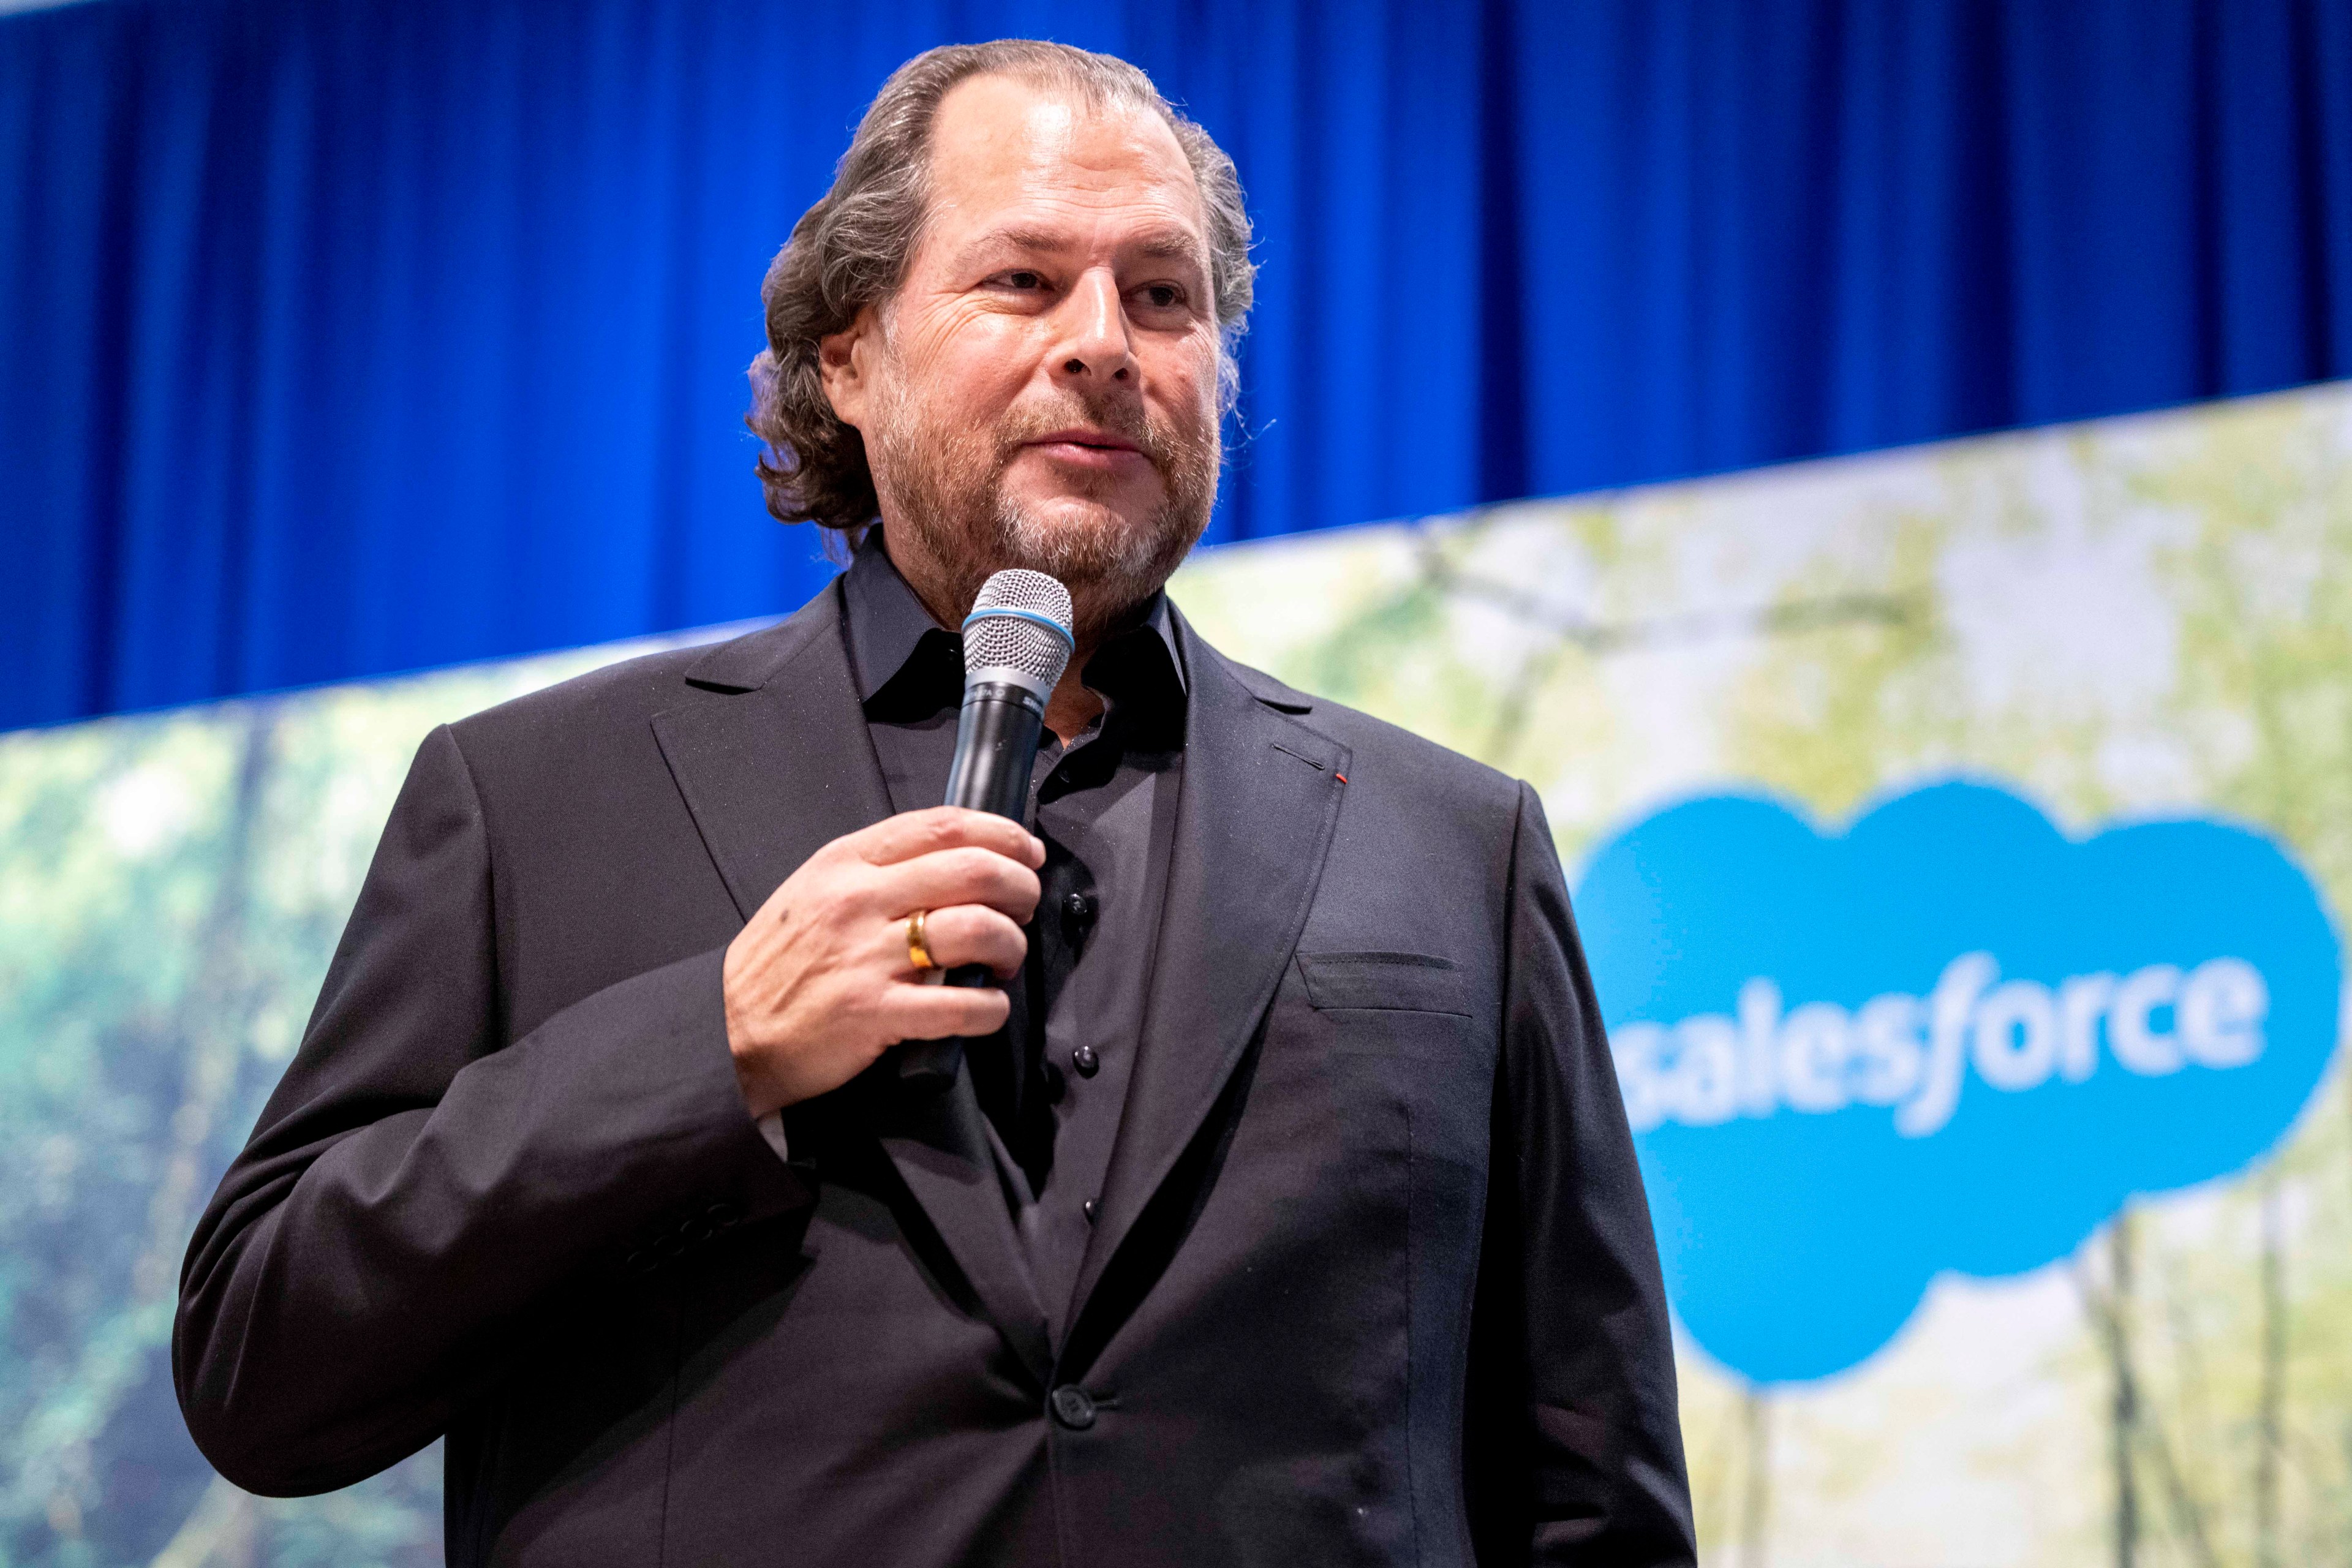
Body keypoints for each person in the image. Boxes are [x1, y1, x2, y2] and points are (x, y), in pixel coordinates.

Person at [174, 39, 1695, 1567]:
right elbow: (261, 1367)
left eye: (1163, 296)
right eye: (1024, 282)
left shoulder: (1450, 845)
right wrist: (714, 1043)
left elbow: (1598, 1499)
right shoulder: (534, 801)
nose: (1105, 341)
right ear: (849, 354)